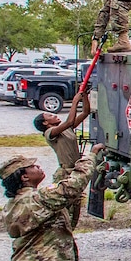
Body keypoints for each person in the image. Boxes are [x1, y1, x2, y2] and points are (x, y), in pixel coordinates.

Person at [32, 89, 92, 226]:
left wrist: (85, 97)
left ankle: (70, 232)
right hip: (65, 173)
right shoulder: (50, 133)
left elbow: (85, 113)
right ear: (45, 123)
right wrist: (75, 102)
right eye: (49, 115)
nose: (53, 115)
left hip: (74, 171)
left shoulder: (65, 130)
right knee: (65, 209)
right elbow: (70, 122)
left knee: (75, 206)